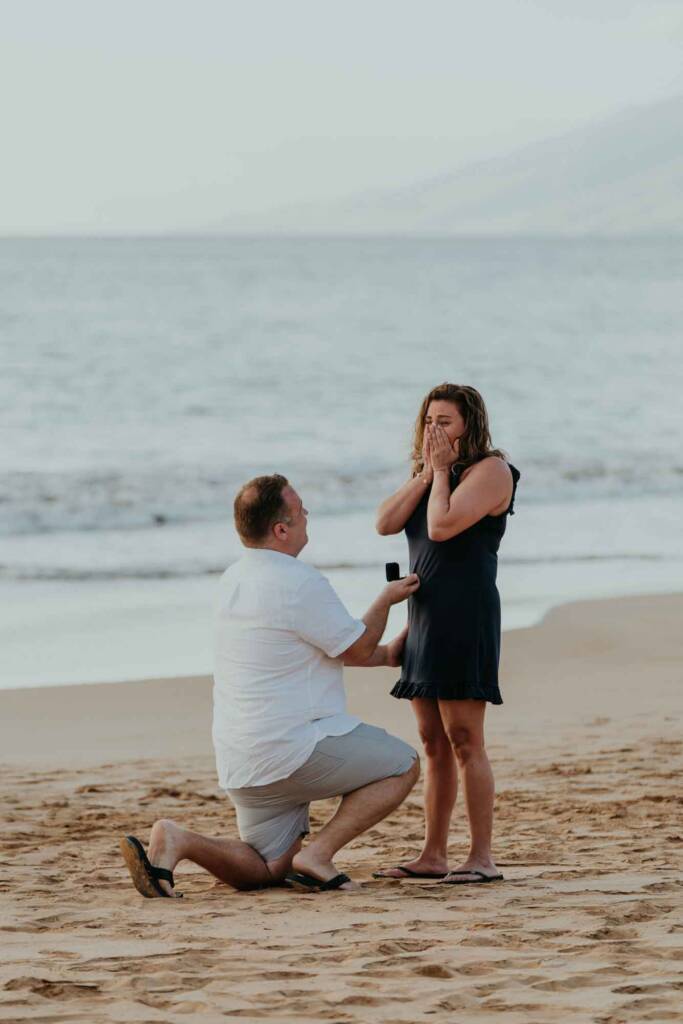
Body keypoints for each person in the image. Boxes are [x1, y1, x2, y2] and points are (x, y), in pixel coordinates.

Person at [120, 473, 420, 897]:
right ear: (281, 529)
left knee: (266, 869)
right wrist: (386, 600)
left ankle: (178, 839)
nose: (306, 518)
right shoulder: (299, 581)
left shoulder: (232, 580)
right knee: (403, 764)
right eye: (301, 513)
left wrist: (389, 654)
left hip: (242, 761)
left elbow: (327, 648)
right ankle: (319, 854)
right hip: (293, 751)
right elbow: (353, 649)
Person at [373, 384, 519, 885]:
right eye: (429, 421)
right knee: (432, 741)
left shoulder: (492, 471)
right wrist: (427, 472)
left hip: (466, 615)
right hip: (425, 617)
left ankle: (481, 857)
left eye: (446, 422)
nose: (435, 430)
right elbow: (385, 523)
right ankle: (433, 855)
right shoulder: (429, 473)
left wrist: (437, 473)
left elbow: (442, 527)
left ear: (470, 426)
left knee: (464, 738)